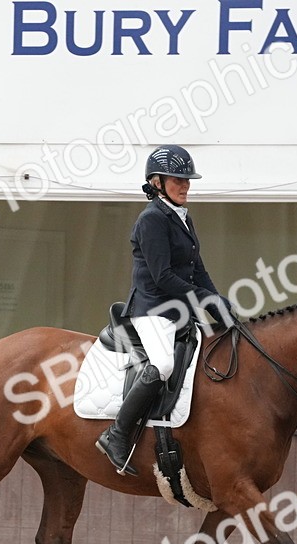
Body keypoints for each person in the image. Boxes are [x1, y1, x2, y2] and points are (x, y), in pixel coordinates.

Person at [96, 144, 236, 475]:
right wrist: (204, 299)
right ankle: (115, 436)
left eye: (188, 180)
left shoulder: (182, 219)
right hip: (152, 309)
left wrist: (221, 307)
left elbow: (198, 270)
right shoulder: (151, 220)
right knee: (162, 363)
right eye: (178, 180)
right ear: (157, 182)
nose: (185, 185)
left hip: (180, 310)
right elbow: (163, 277)